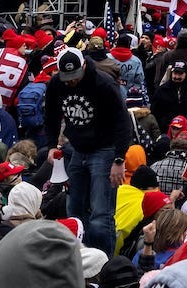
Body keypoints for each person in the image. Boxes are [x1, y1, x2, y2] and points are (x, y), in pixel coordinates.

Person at [46, 46, 136, 253]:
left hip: (104, 149)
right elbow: (50, 115)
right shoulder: (56, 84)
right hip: (77, 148)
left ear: (84, 65)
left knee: (100, 214)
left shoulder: (103, 83)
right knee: (74, 210)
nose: (71, 81)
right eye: (67, 76)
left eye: (75, 75)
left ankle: (104, 264)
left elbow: (123, 121)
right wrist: (51, 145)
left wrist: (119, 159)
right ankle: (80, 257)